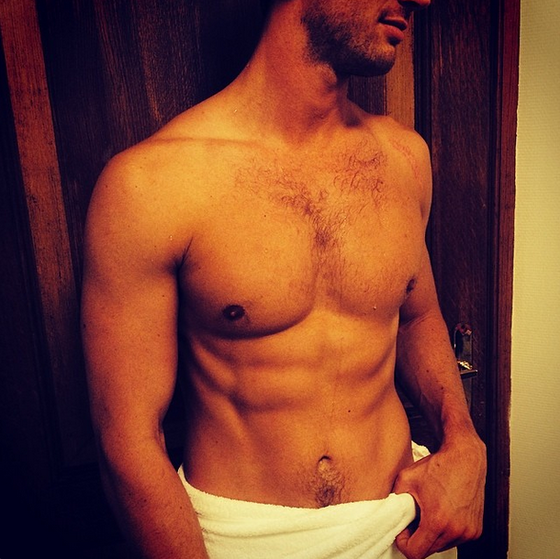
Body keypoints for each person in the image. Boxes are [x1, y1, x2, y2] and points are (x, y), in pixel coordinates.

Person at [81, 0, 486, 558]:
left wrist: (463, 440)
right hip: (243, 539)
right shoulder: (151, 184)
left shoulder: (403, 158)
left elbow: (418, 317)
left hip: (403, 525)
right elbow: (127, 440)